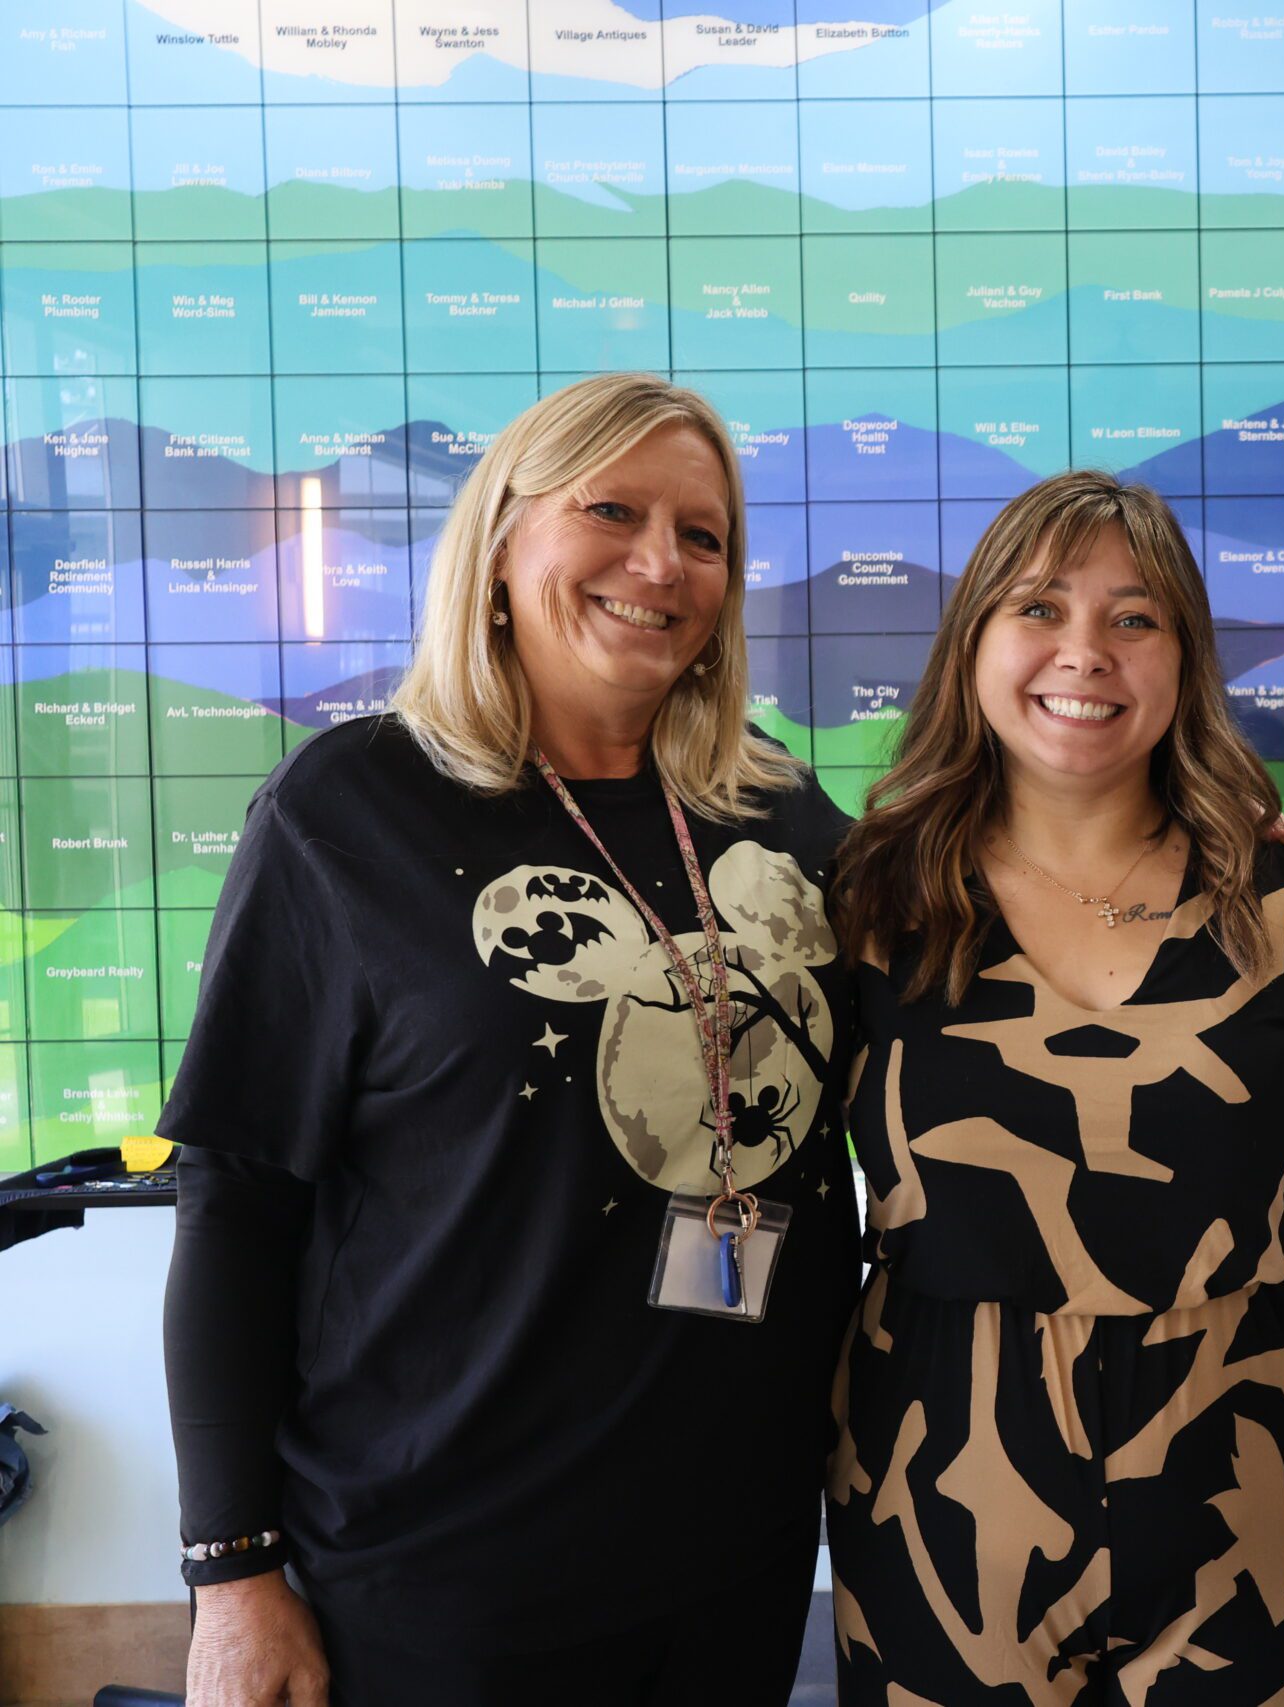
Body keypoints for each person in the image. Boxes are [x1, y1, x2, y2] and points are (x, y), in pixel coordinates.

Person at [161, 374, 860, 1706]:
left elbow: (974, 957)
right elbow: (236, 1203)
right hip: (445, 1568)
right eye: (612, 511)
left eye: (703, 535)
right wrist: (232, 1572)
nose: (661, 563)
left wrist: (1197, 854)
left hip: (741, 1545)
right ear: (497, 543)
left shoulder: (774, 805)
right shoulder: (346, 809)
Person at [822, 469, 1284, 1703]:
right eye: (1039, 609)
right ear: (972, 642)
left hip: (1249, 1471)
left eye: (1134, 618)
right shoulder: (866, 897)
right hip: (941, 1478)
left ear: (1185, 659)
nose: (1086, 652)